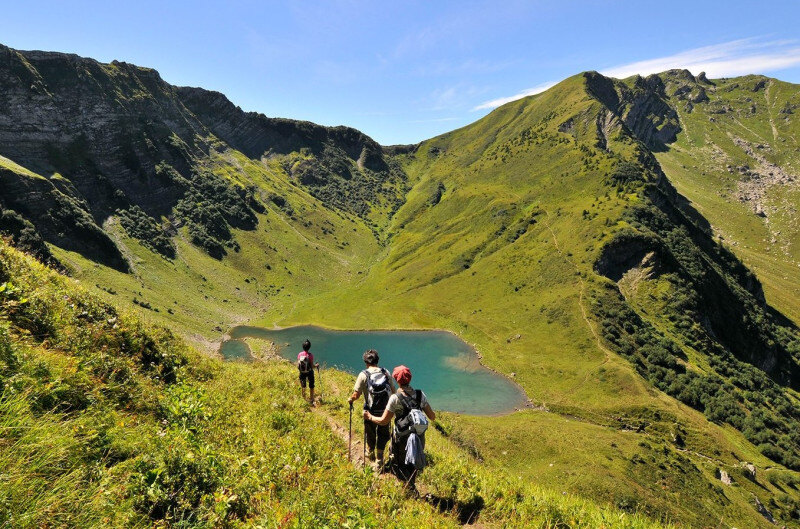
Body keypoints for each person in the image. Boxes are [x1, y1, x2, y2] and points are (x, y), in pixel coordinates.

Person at [363, 365, 435, 488]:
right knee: (413, 463)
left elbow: (383, 421)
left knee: (400, 463)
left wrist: (369, 416)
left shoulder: (395, 398)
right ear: (410, 378)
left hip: (402, 438)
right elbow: (432, 416)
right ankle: (411, 484)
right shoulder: (420, 395)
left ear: (396, 380)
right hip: (419, 437)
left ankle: (408, 489)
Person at [348, 349, 396, 471]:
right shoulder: (386, 372)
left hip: (370, 410)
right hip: (386, 410)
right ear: (377, 360)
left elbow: (356, 394)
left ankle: (370, 452)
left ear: (365, 362)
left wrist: (351, 399)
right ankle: (379, 459)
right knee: (383, 434)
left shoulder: (363, 375)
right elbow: (393, 390)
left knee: (370, 432)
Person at [297, 339, 319, 404]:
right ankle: (311, 399)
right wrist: (316, 365)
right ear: (309, 347)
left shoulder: (300, 354)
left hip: (302, 372)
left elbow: (298, 364)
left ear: (303, 347)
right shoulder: (310, 355)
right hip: (309, 372)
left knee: (303, 385)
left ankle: (304, 398)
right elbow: (312, 366)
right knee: (311, 385)